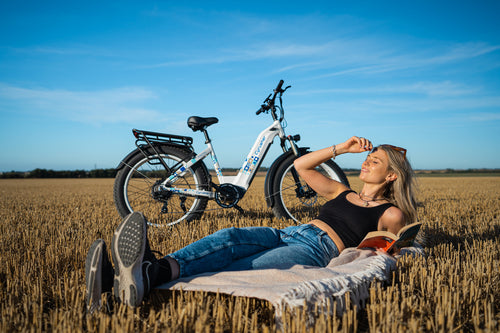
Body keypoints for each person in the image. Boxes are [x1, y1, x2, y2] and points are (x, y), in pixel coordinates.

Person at [85, 136, 417, 311]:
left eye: (374, 161)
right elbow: (301, 166)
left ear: (390, 175)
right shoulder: (342, 192)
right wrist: (340, 148)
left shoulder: (390, 212)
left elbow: (388, 248)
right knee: (227, 237)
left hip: (317, 248)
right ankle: (141, 276)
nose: (365, 162)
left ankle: (136, 279)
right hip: (287, 233)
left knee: (241, 267)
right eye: (366, 157)